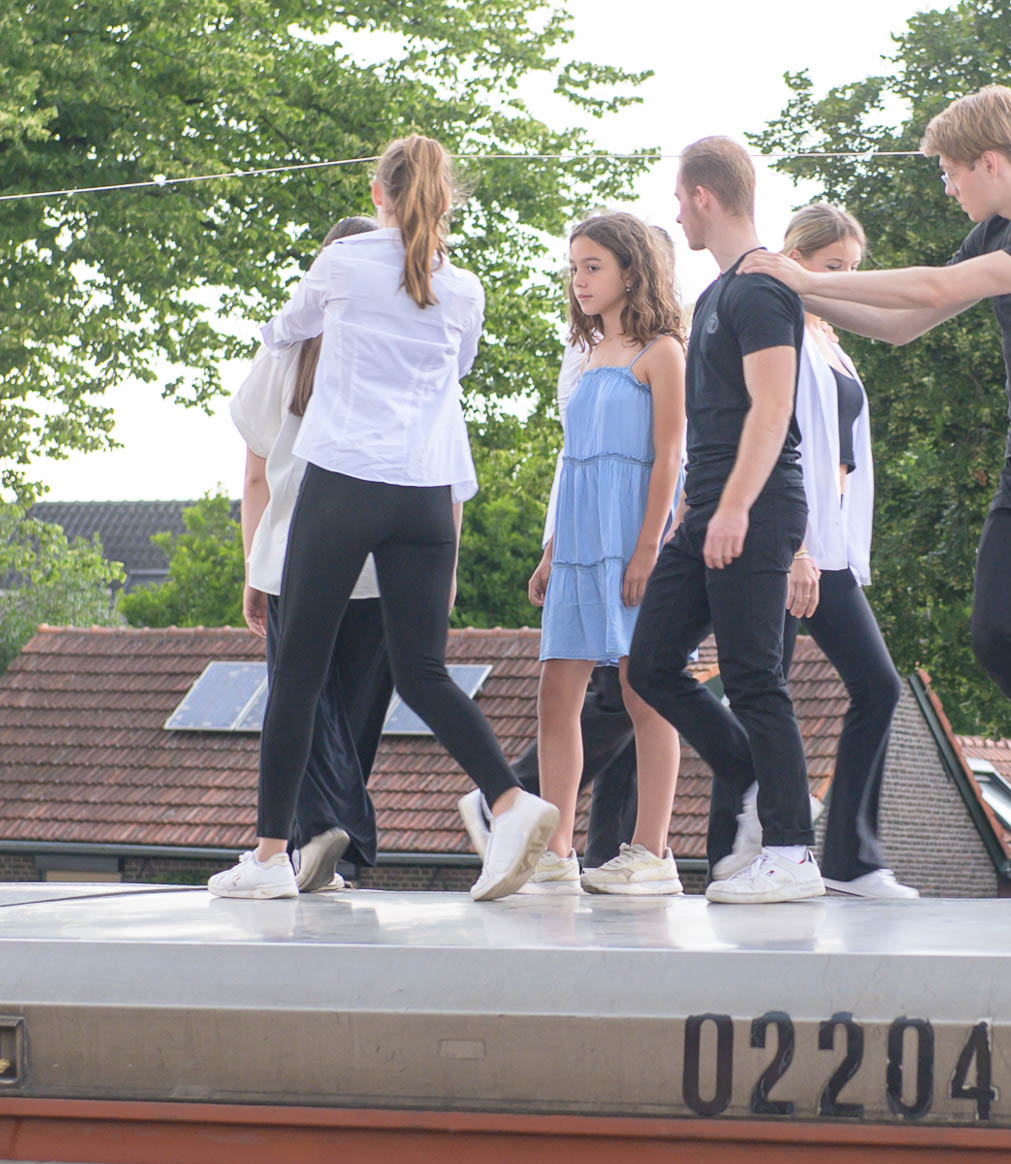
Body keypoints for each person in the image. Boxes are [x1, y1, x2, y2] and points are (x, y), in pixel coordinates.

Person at [742, 86, 1011, 901]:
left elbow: (931, 288)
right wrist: (793, 292)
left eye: (951, 173)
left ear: (989, 162)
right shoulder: (994, 233)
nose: (948, 187)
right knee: (996, 633)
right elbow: (904, 324)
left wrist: (793, 275)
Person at [209, 134, 557, 903]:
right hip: (426, 494)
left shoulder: (342, 262)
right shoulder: (464, 288)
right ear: (446, 199)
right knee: (422, 671)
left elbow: (282, 330)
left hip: (346, 483)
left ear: (379, 194)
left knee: (298, 675)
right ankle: (509, 799)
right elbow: (456, 367)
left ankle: (268, 858)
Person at [627, 135, 823, 905]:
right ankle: (752, 771)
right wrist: (693, 512)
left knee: (753, 676)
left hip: (756, 505)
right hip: (705, 509)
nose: (676, 214)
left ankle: (792, 852)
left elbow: (773, 409)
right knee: (650, 664)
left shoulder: (762, 290)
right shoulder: (713, 296)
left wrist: (737, 506)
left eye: (680, 199)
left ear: (704, 196)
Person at [523, 211, 686, 895]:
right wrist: (552, 548)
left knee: (643, 691)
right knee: (555, 693)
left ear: (631, 270)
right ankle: (556, 850)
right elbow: (574, 461)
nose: (579, 280)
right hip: (577, 542)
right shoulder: (587, 354)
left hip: (630, 540)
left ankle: (652, 851)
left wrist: (648, 548)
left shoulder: (664, 352)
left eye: (593, 266)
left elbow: (670, 457)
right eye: (574, 268)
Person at [234, 214, 392, 892]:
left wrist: (253, 565)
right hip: (383, 559)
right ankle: (329, 853)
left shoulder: (285, 350)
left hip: (295, 551)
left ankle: (322, 829)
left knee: (301, 703)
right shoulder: (399, 349)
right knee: (356, 713)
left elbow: (256, 476)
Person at [769, 202, 917, 899]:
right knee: (750, 689)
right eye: (834, 267)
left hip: (830, 547)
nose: (845, 280)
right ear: (796, 261)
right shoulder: (785, 333)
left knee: (871, 687)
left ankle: (848, 860)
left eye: (853, 269)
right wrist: (797, 547)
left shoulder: (829, 337)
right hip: (797, 545)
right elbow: (783, 441)